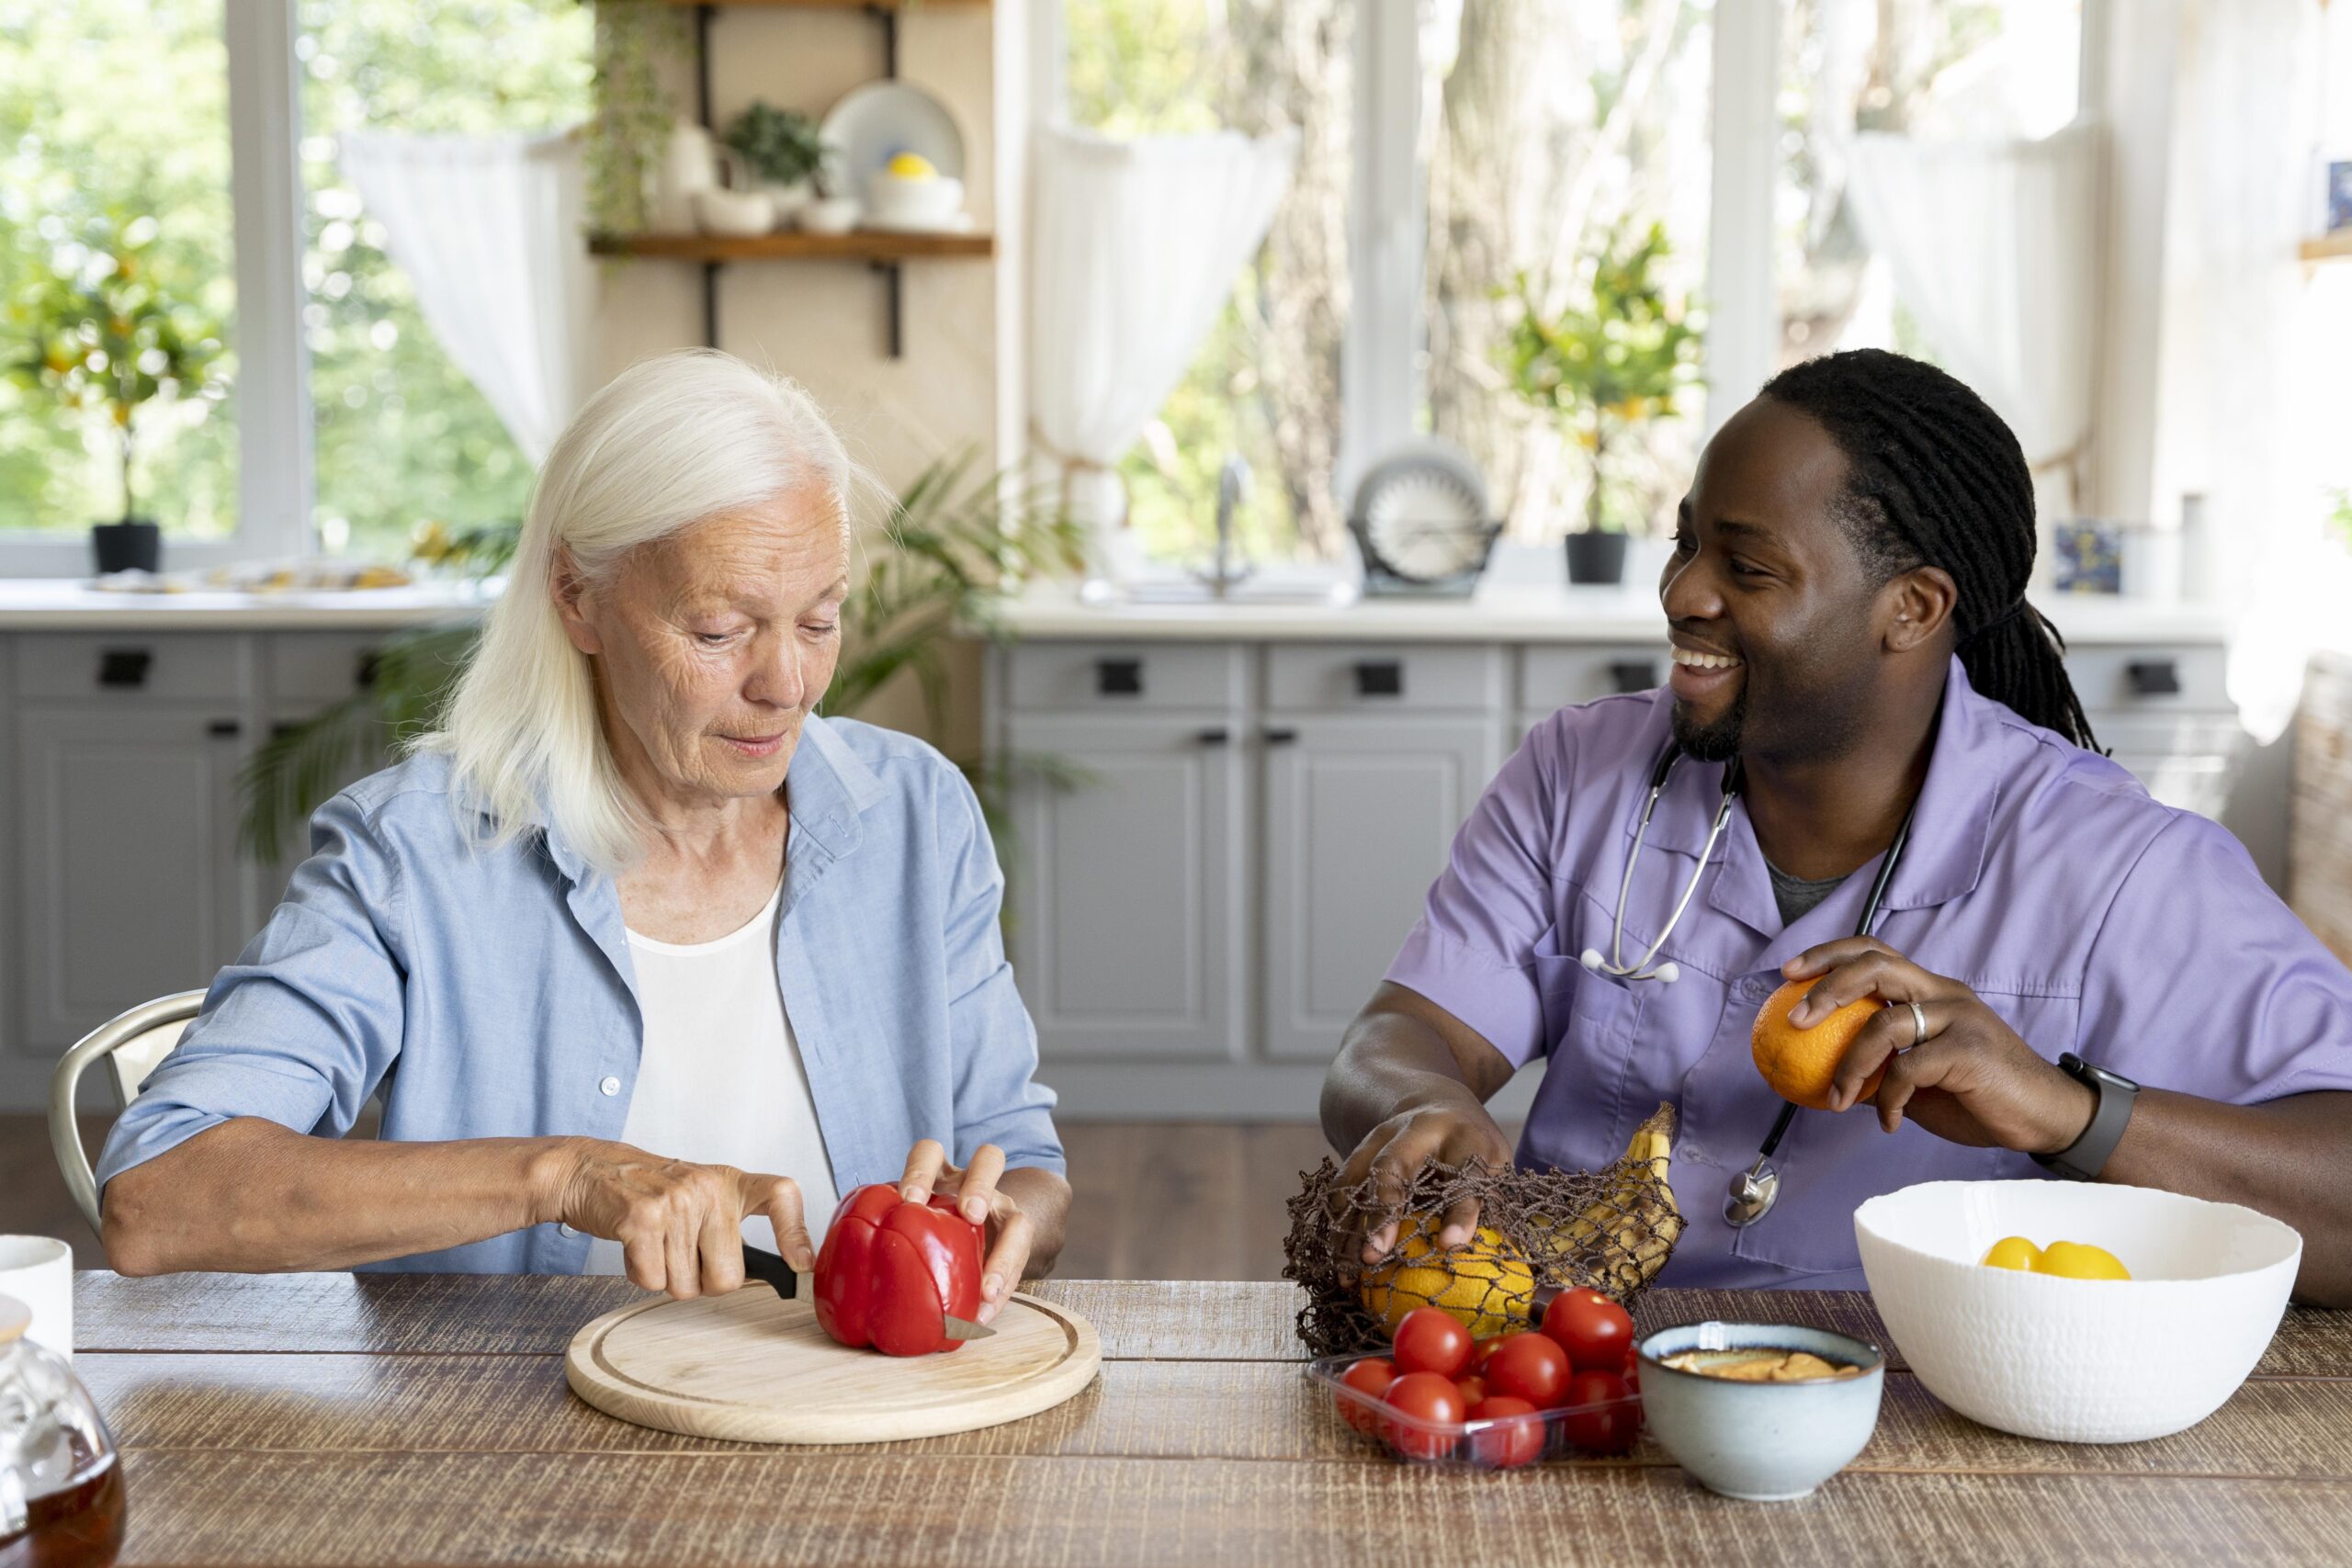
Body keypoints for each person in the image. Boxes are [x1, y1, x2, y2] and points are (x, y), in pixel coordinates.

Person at [1321, 349, 2352, 1302]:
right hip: (1572, 1371)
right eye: (1685, 543)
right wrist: (1421, 1102)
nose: (1682, 592)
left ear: (1909, 608)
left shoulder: (2120, 867)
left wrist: (2063, 1111)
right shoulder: (1579, 772)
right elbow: (1398, 1034)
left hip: (1910, 1418)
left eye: (1748, 568)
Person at [98, 349, 1067, 1318]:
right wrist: (562, 1175)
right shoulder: (416, 854)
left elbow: (1019, 1155)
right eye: (721, 630)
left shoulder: (915, 812)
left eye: (819, 621)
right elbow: (158, 1197)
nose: (788, 686)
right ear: (577, 597)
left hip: (856, 1423)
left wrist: (1004, 1214)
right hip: (512, 1448)